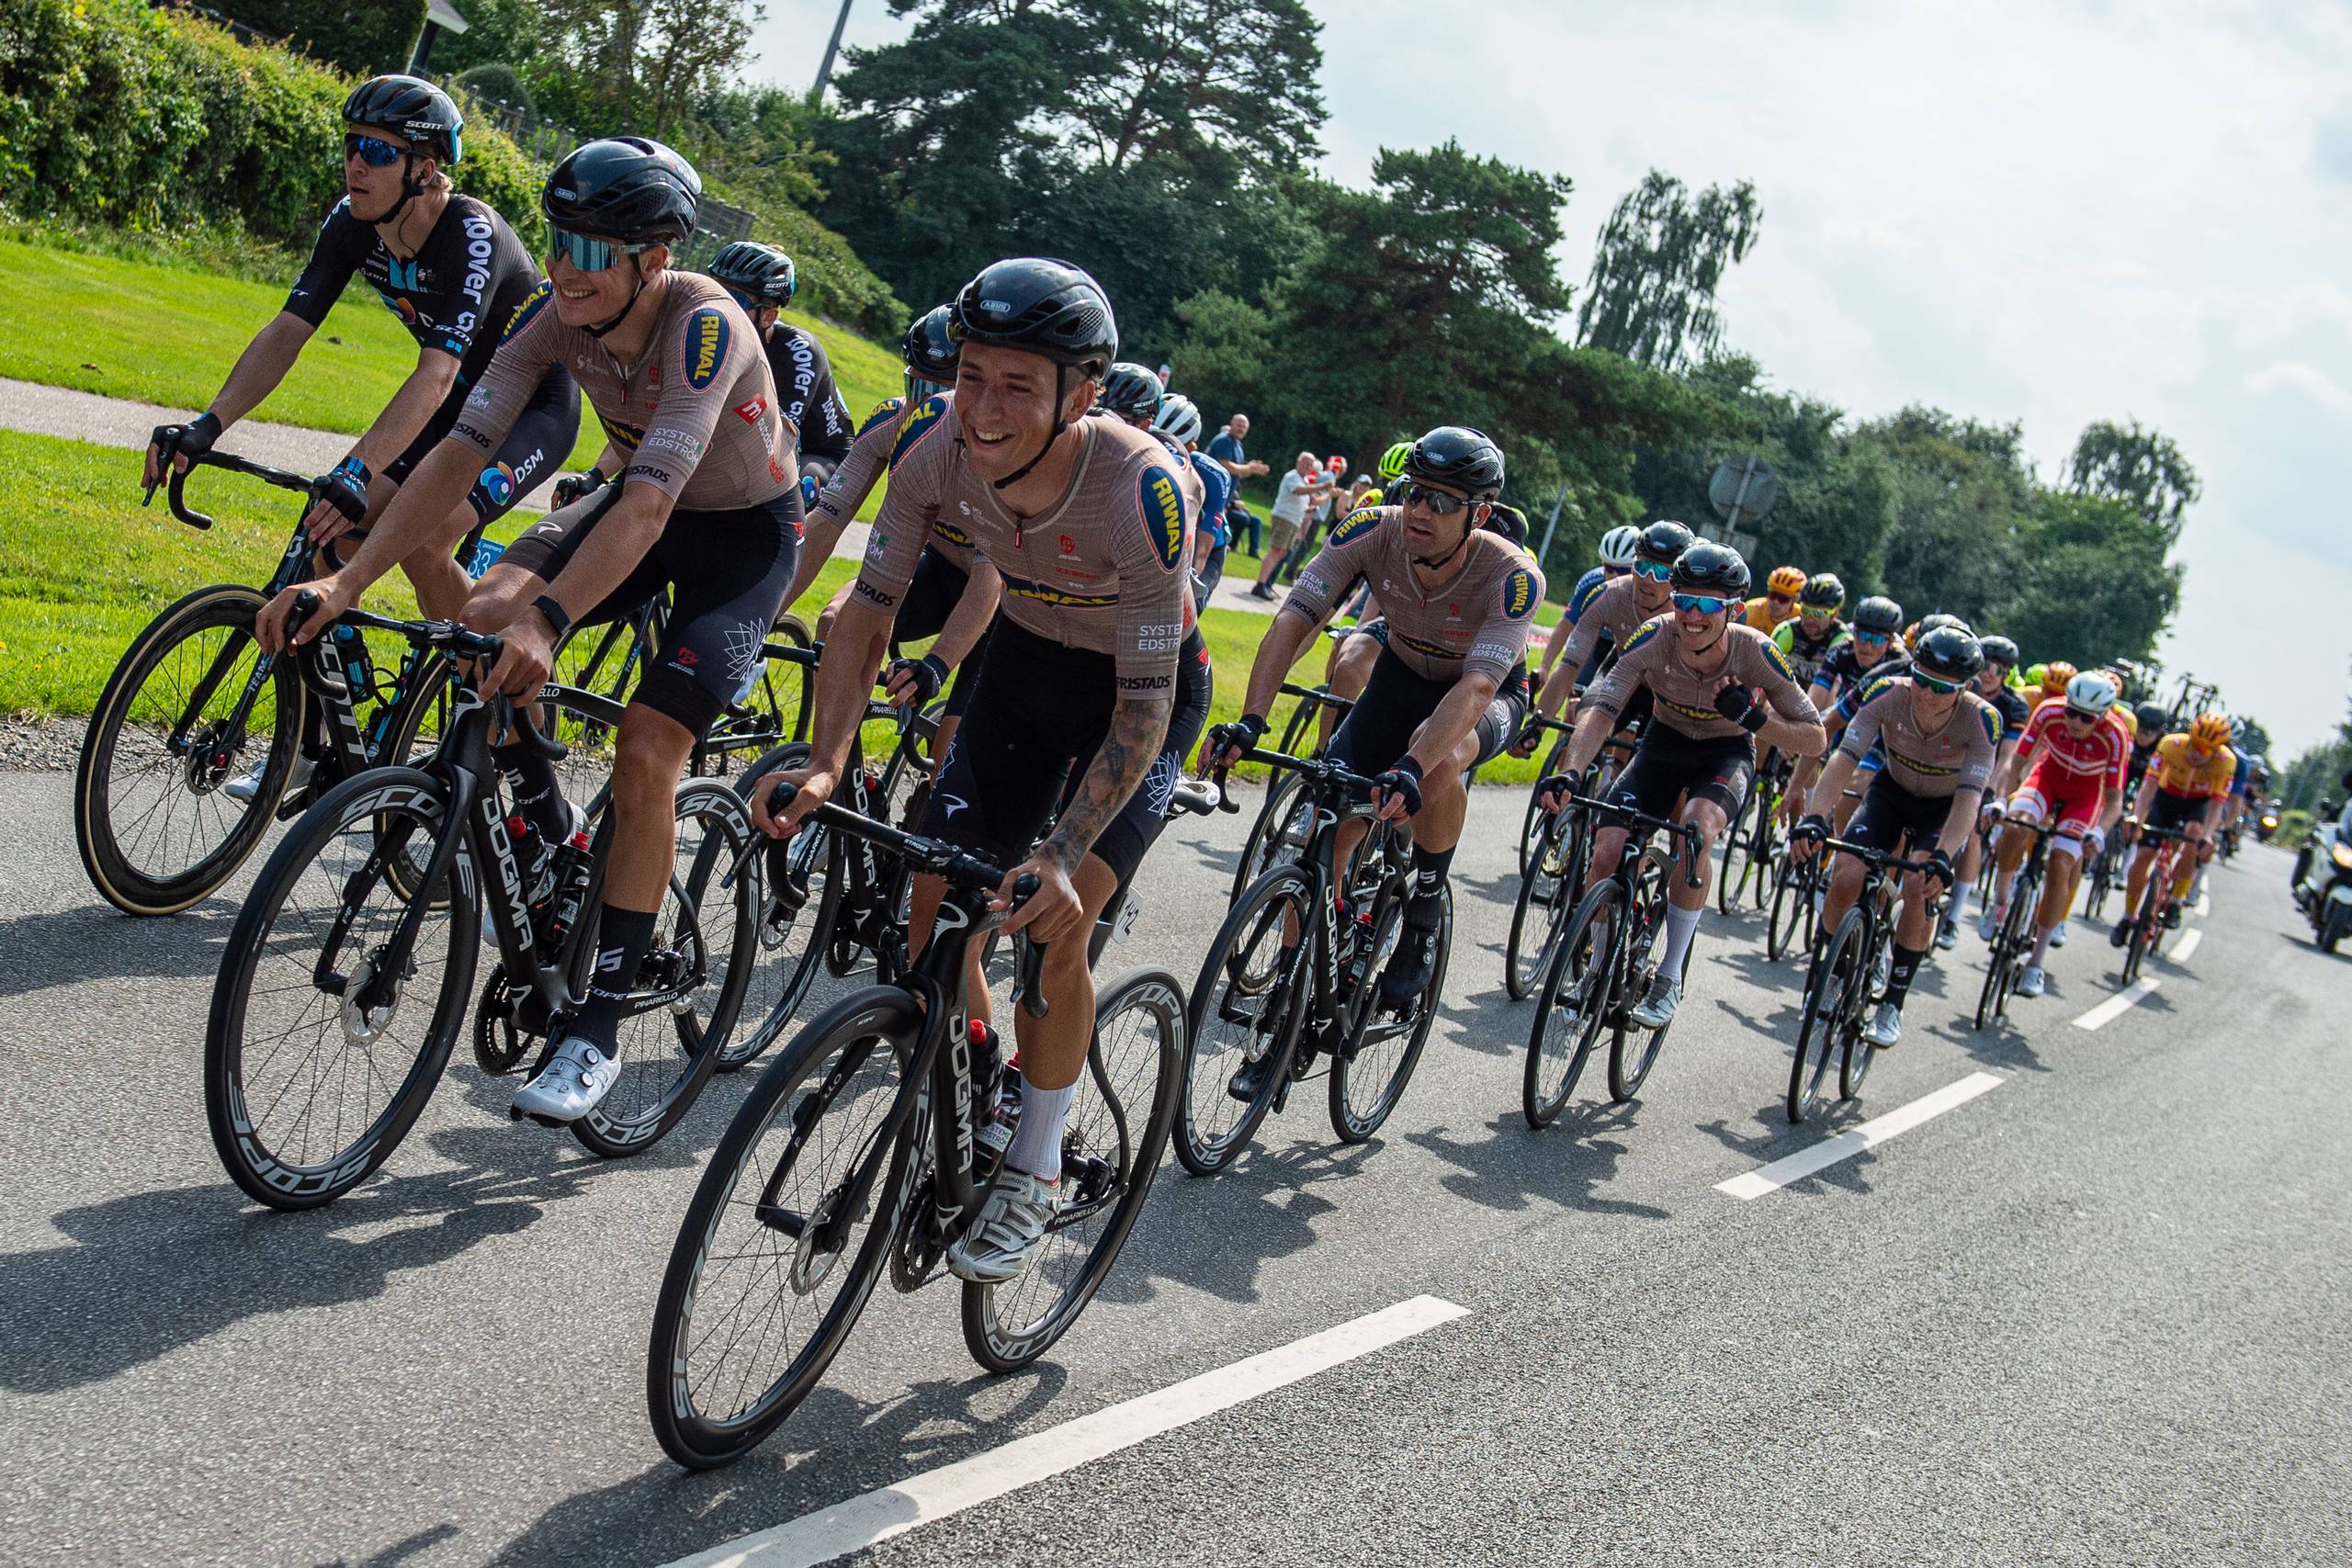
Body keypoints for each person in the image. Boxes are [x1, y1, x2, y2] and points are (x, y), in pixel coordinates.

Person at [254, 136, 802, 1122]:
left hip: (737, 539)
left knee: (645, 748)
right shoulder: (557, 317)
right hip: (636, 500)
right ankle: (550, 838)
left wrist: (551, 621)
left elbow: (646, 507)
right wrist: (346, 583)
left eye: (593, 253)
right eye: (558, 242)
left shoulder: (703, 328)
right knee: (476, 615)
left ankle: (596, 1026)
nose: (564, 268)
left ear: (652, 259)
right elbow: (459, 451)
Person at [757, 257, 1193, 1287]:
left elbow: (1142, 705)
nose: (984, 409)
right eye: (971, 377)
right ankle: (989, 1076)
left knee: (1053, 923)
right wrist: (826, 762)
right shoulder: (932, 453)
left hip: (1136, 701)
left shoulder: (1142, 493)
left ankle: (1034, 1167)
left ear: (1079, 397)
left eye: (1017, 387)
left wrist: (1061, 850)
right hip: (1025, 668)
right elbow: (868, 608)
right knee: (933, 901)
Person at [145, 75, 582, 802]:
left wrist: (360, 467)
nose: (356, 164)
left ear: (427, 167)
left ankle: (502, 695)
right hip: (452, 410)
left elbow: (438, 372)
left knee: (423, 538)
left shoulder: (470, 233)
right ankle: (325, 750)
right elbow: (288, 332)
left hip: (529, 411)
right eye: (351, 145)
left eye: (378, 151)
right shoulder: (352, 222)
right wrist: (207, 423)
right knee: (324, 537)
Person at [1206, 426, 1542, 1071]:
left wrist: (1413, 769)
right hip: (1401, 675)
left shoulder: (1511, 572)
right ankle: (1290, 990)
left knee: (1437, 754)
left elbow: (1477, 685)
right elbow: (1295, 619)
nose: (1423, 511)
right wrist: (1251, 720)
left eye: (1444, 502)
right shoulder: (1369, 529)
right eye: (1417, 493)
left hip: (1484, 695)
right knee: (1326, 834)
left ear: (1480, 513)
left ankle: (1421, 909)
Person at [1536, 543, 1826, 1029]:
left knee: (1696, 830)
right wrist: (1570, 769)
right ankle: (1600, 963)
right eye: (1684, 599)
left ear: (1733, 610)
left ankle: (1669, 975)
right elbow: (1605, 706)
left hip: (1724, 753)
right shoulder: (1653, 636)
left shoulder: (1756, 652)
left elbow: (1814, 737)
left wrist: (1755, 719)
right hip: (1663, 745)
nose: (1693, 615)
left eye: (1709, 605)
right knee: (1607, 847)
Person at [790, 303, 1004, 772]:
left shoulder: (1001, 456)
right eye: (916, 385)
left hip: (1003, 603)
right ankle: (839, 775)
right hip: (942, 569)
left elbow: (991, 581)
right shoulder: (894, 421)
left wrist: (938, 664)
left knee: (948, 760)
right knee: (834, 620)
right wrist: (766, 609)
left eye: (939, 391)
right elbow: (827, 520)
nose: (923, 406)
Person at [1791, 626, 1997, 1047]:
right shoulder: (1888, 691)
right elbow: (1843, 758)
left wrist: (1943, 855)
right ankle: (1831, 965)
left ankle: (1892, 1002)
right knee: (1847, 872)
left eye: (1941, 689)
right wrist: (1816, 815)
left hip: (1942, 808)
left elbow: (1969, 799)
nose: (1926, 694)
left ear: (1963, 689)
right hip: (1890, 792)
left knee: (1920, 883)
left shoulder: (1981, 720)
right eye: (1921, 679)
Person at [1981, 670, 2130, 998]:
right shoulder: (2049, 711)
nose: (2076, 722)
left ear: (2103, 716)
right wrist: (2004, 801)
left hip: (2084, 795)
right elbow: (2016, 763)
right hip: (2047, 778)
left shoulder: (2116, 735)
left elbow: (2115, 801)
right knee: (2017, 824)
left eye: (2086, 718)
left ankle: (2036, 964)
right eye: (2072, 712)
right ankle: (2001, 902)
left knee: (2062, 862)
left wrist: (2099, 834)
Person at [1514, 519, 1690, 752]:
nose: (1648, 579)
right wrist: (1536, 727)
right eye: (1642, 566)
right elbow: (1569, 666)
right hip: (1621, 674)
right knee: (1585, 724)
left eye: (1661, 572)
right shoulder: (1609, 594)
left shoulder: (1690, 616)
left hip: (1668, 692)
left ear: (1678, 580)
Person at [708, 241, 854, 482]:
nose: (720, 306)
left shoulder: (800, 350)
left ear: (768, 316)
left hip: (817, 454)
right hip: (758, 441)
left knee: (783, 482)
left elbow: (778, 438)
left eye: (736, 299)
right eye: (715, 290)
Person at [1938, 631, 2030, 946]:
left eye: (2000, 669)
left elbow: (2007, 758)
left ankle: (1953, 916)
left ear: (2008, 675)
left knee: (1972, 832)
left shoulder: (2014, 705)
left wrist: (1990, 792)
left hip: (1983, 773)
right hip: (1947, 764)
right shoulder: (1962, 687)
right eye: (1987, 664)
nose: (1990, 673)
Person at [2114, 711, 2235, 942]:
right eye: (2195, 744)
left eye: (2207, 749)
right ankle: (2128, 916)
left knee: (2193, 836)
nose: (2197, 753)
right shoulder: (2171, 744)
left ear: (2218, 749)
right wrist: (2136, 817)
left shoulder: (2226, 762)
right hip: (2166, 797)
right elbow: (2149, 786)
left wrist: (2208, 836)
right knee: (2143, 857)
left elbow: (2217, 805)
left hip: (2197, 803)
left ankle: (2176, 901)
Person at [1250, 451, 1335, 599]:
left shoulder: (1305, 480)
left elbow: (1314, 500)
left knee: (1281, 553)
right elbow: (1299, 491)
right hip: (1284, 518)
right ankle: (1260, 584)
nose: (1308, 467)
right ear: (1298, 463)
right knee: (1276, 551)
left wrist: (1329, 494)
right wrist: (1322, 486)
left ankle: (1265, 584)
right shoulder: (1293, 477)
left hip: (1293, 520)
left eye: (1310, 465)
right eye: (1305, 463)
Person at [1207, 413, 1269, 553]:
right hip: (1212, 496)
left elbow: (1239, 471)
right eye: (1239, 425)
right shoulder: (1224, 441)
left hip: (1224, 501)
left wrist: (1253, 470)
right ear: (1231, 424)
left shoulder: (1238, 445)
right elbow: (1227, 466)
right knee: (1210, 540)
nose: (1241, 429)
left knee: (1215, 541)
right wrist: (1249, 468)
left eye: (1244, 427)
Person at [1739, 565, 1807, 633]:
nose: (1776, 602)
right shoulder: (1752, 609)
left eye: (1783, 599)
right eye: (1773, 595)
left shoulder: (1800, 617)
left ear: (1794, 600)